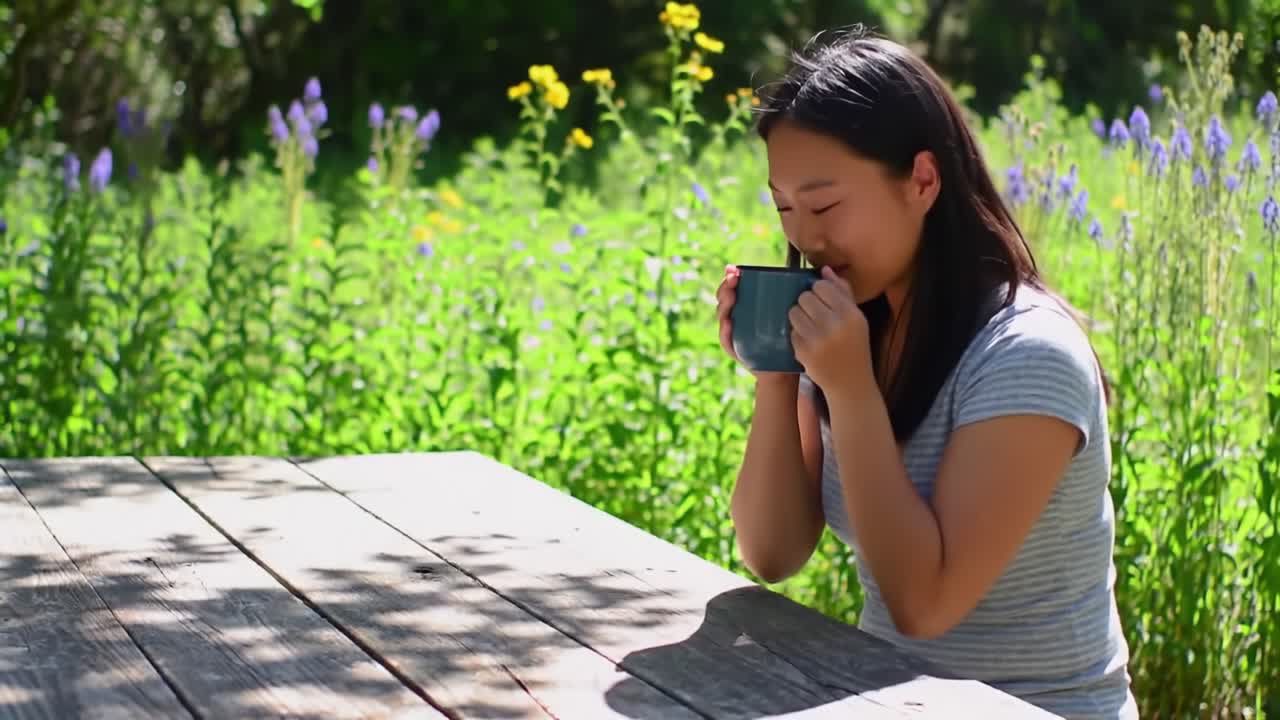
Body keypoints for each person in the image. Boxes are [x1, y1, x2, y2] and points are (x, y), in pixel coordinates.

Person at [715, 26, 1138, 720]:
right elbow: (773, 550)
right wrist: (777, 367)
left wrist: (851, 389)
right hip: (886, 701)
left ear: (922, 180)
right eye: (785, 207)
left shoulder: (1027, 355)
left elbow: (925, 604)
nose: (803, 238)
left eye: (823, 205)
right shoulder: (858, 324)